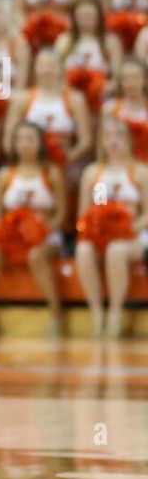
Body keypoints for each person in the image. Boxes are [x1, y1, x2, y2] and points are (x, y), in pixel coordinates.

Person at [0, 122, 67, 338]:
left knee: (36, 255)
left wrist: (38, 231)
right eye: (20, 139)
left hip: (46, 234)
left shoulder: (51, 173)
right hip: (12, 235)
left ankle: (56, 316)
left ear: (40, 144)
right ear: (13, 144)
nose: (25, 144)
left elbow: (61, 216)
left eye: (30, 139)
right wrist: (7, 234)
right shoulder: (5, 175)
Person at [74, 116, 148, 339]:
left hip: (136, 232)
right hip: (102, 232)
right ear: (101, 141)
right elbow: (84, 214)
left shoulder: (141, 172)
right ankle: (96, 313)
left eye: (119, 136)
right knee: (83, 249)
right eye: (108, 136)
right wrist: (92, 228)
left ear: (129, 140)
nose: (114, 141)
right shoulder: (93, 173)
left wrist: (129, 227)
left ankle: (115, 312)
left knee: (116, 250)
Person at [3, 48, 93, 182]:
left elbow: (85, 140)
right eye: (42, 66)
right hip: (29, 162)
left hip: (64, 162)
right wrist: (28, 160)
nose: (46, 70)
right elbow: (8, 139)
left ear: (60, 69)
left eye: (51, 66)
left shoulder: (75, 99)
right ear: (35, 68)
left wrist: (66, 158)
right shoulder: (22, 99)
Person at [55, 0, 122, 115]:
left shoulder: (110, 41)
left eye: (89, 16)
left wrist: (104, 88)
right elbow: (57, 74)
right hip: (71, 92)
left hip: (100, 93)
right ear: (74, 18)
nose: (85, 20)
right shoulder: (64, 40)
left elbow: (117, 78)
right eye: (81, 16)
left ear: (99, 18)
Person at [102, 57, 148, 163]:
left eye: (135, 77)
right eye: (126, 78)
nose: (130, 83)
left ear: (145, 80)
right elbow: (104, 144)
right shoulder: (110, 108)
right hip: (119, 164)